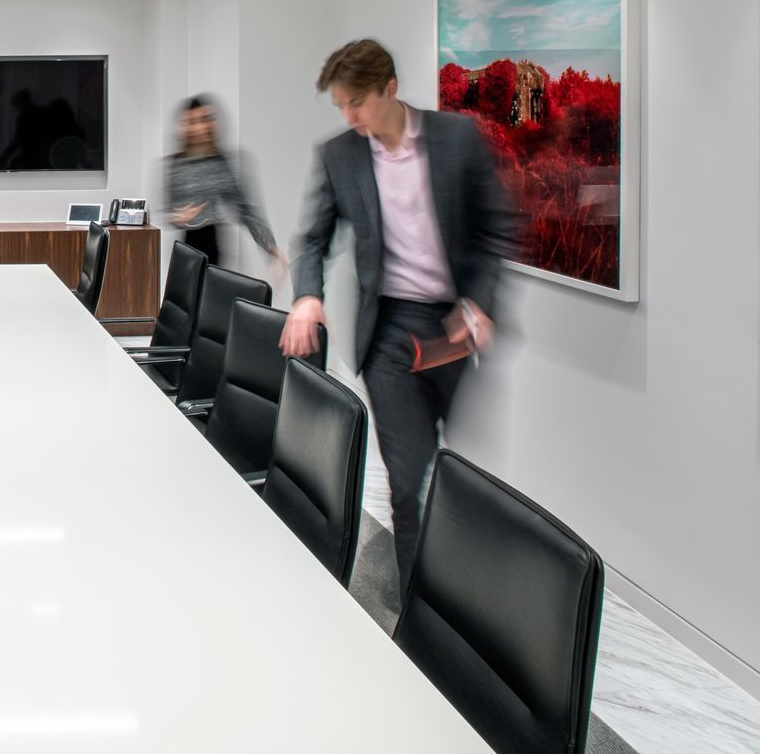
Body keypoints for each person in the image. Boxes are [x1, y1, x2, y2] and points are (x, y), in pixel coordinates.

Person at [283, 40, 518, 585]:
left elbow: (493, 233)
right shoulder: (339, 154)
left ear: (390, 88)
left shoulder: (457, 139)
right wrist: (308, 295)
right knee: (408, 476)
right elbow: (312, 239)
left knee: (460, 477)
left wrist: (480, 302)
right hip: (388, 332)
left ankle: (465, 594)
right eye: (340, 105)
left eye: (357, 103)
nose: (349, 116)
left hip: (456, 328)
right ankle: (417, 605)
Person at [164, 95, 284, 278]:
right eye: (193, 121)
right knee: (185, 300)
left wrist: (269, 247)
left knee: (214, 297)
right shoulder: (176, 163)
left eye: (204, 120)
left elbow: (246, 209)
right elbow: (167, 210)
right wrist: (177, 217)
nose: (199, 127)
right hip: (186, 249)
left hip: (215, 246)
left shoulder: (221, 162)